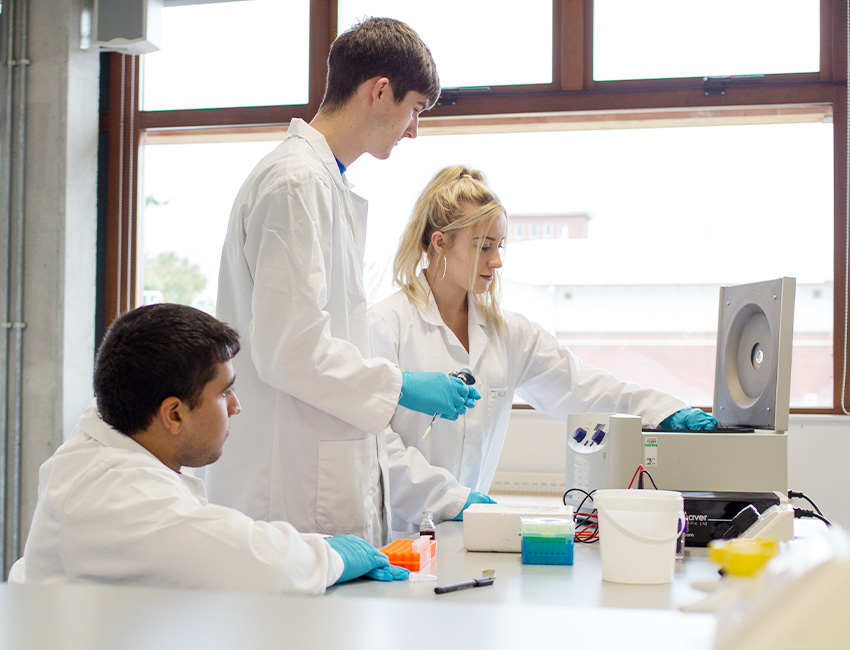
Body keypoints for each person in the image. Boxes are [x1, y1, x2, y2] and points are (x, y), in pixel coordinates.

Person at [205, 17, 479, 546]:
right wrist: (401, 385)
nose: (414, 130)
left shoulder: (320, 182)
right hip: (289, 484)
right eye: (415, 109)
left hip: (315, 473)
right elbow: (291, 351)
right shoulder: (295, 183)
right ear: (380, 91)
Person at [368, 166, 718, 535]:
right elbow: (377, 447)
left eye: (499, 246)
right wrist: (452, 499)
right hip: (399, 538)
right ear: (440, 243)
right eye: (482, 246)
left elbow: (585, 387)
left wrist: (665, 411)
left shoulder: (509, 334)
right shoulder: (386, 325)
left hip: (470, 534)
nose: (497, 261)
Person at [8, 304, 408, 593]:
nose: (236, 406)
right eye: (225, 392)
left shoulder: (114, 431)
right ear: (174, 415)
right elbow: (246, 559)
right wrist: (331, 555)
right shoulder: (114, 494)